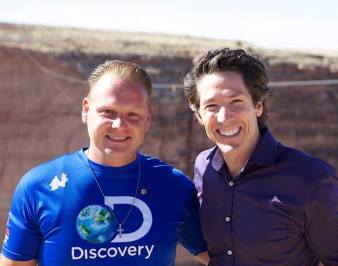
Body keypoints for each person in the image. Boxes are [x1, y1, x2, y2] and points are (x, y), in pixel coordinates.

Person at [1, 60, 209, 266]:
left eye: (133, 114)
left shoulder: (174, 187)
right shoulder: (38, 186)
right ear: (86, 109)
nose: (119, 125)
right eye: (108, 112)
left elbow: (222, 257)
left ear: (148, 117)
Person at [183, 48, 338, 265]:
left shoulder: (311, 179)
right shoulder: (204, 168)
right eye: (212, 106)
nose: (224, 117)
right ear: (199, 116)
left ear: (258, 105)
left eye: (236, 102)